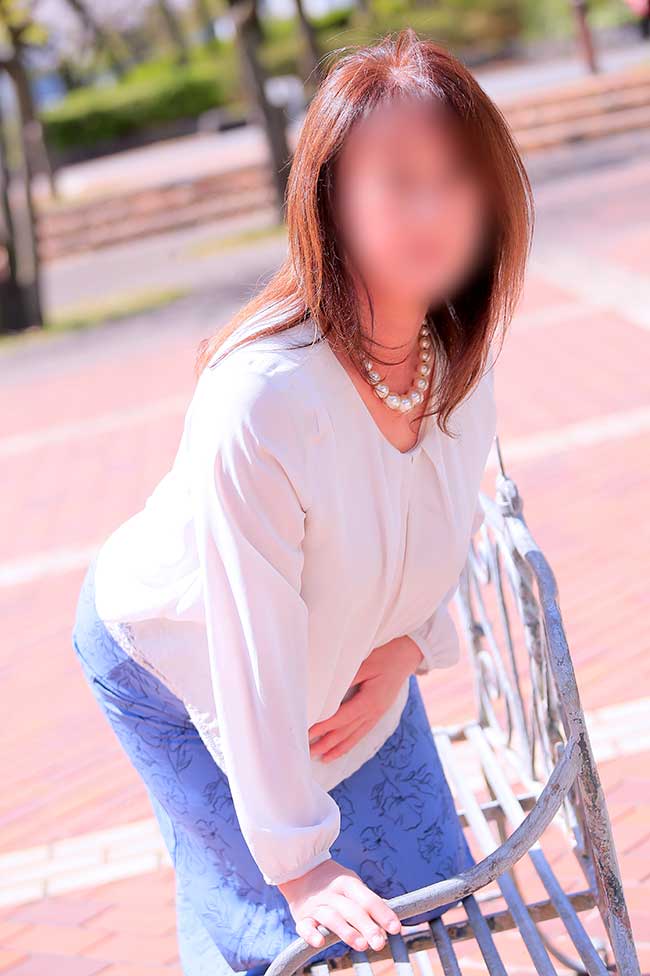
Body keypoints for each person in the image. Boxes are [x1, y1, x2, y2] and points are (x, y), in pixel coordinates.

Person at [71, 27, 534, 976]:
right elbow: (247, 641)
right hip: (179, 660)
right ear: (330, 198)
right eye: (397, 180)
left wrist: (413, 647)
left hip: (346, 651)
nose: (433, 208)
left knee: (431, 892)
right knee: (289, 942)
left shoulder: (458, 362)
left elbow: (430, 531)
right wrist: (298, 865)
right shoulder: (263, 399)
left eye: (457, 177)